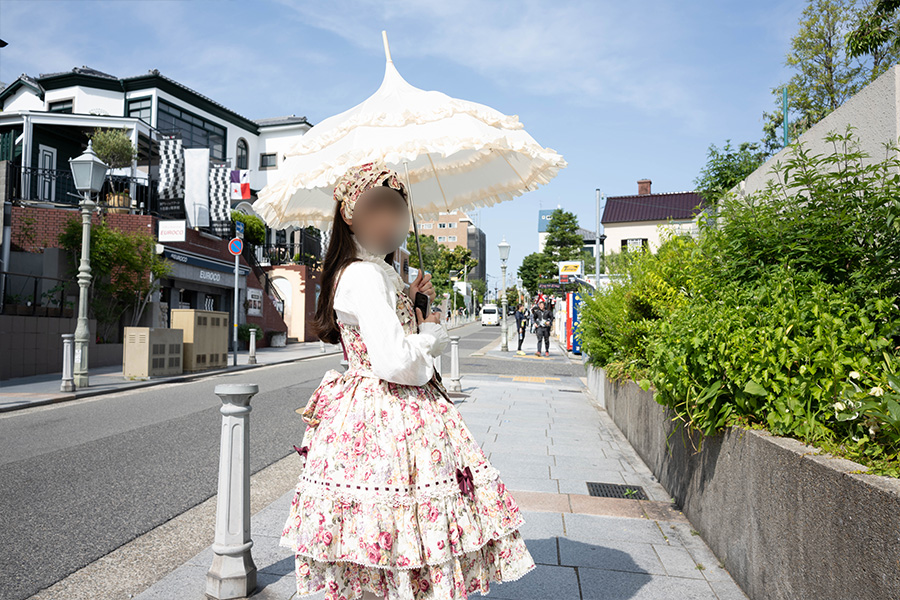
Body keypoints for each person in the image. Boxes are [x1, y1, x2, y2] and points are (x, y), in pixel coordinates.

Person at [280, 161, 536, 600]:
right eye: (378, 209)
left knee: (394, 529)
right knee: (396, 524)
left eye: (398, 211)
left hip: (384, 411)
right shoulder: (364, 274)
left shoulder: (376, 270)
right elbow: (398, 362)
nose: (391, 222)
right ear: (349, 214)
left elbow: (389, 337)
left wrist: (415, 304)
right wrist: (433, 332)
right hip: (389, 412)